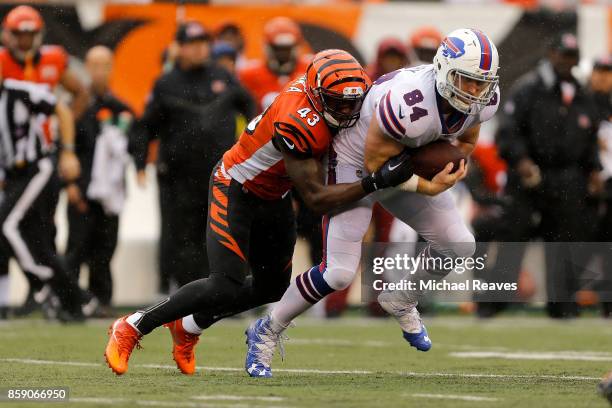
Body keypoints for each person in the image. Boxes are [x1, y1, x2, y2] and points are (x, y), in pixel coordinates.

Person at [104, 49, 419, 376]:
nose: (348, 110)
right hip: (237, 186)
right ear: (316, 95)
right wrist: (375, 182)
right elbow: (316, 198)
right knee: (225, 283)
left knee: (272, 286)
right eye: (338, 102)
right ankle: (134, 324)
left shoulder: (329, 95)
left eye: (352, 101)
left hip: (275, 192)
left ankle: (189, 327)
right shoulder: (297, 121)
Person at [244, 28, 499, 377]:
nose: (473, 91)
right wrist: (427, 186)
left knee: (459, 245)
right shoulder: (410, 103)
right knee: (338, 272)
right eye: (465, 80)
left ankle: (401, 297)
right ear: (443, 69)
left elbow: (467, 139)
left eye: (480, 83)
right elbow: (378, 167)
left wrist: (451, 167)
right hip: (355, 163)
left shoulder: (483, 98)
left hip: (402, 159)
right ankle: (267, 328)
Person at [130, 21, 255, 289]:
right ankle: (190, 293)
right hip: (179, 176)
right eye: (193, 44)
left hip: (220, 173)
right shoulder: (165, 83)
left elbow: (251, 110)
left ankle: (227, 291)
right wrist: (140, 163)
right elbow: (145, 127)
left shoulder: (222, 76)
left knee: (223, 232)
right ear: (180, 48)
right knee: (183, 236)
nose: (200, 50)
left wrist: (255, 151)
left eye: (203, 44)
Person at [495, 32, 602, 318]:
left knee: (566, 242)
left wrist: (594, 170)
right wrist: (522, 161)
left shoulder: (580, 93)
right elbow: (508, 132)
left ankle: (563, 306)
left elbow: (590, 138)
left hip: (568, 178)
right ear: (551, 54)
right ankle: (493, 304)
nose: (567, 61)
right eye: (563, 55)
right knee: (513, 237)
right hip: (530, 175)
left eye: (572, 57)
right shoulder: (528, 88)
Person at [0, 5, 89, 316]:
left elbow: (74, 99)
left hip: (40, 159)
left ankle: (53, 292)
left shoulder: (49, 64)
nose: (24, 41)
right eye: (19, 34)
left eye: (29, 34)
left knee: (37, 228)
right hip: (11, 162)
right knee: (21, 228)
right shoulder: (5, 69)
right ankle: (64, 295)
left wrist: (64, 143)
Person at [64, 46, 134, 318]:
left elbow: (131, 149)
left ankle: (101, 299)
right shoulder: (78, 108)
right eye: (93, 65)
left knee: (105, 248)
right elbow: (66, 147)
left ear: (111, 68)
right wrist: (69, 184)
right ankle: (69, 300)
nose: (99, 71)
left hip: (110, 196)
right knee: (77, 246)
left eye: (104, 65)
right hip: (82, 190)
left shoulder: (121, 108)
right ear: (86, 68)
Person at [238, 16, 311, 113]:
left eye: (287, 49)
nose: (284, 54)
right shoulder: (250, 74)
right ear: (267, 47)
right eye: (278, 49)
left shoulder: (309, 69)